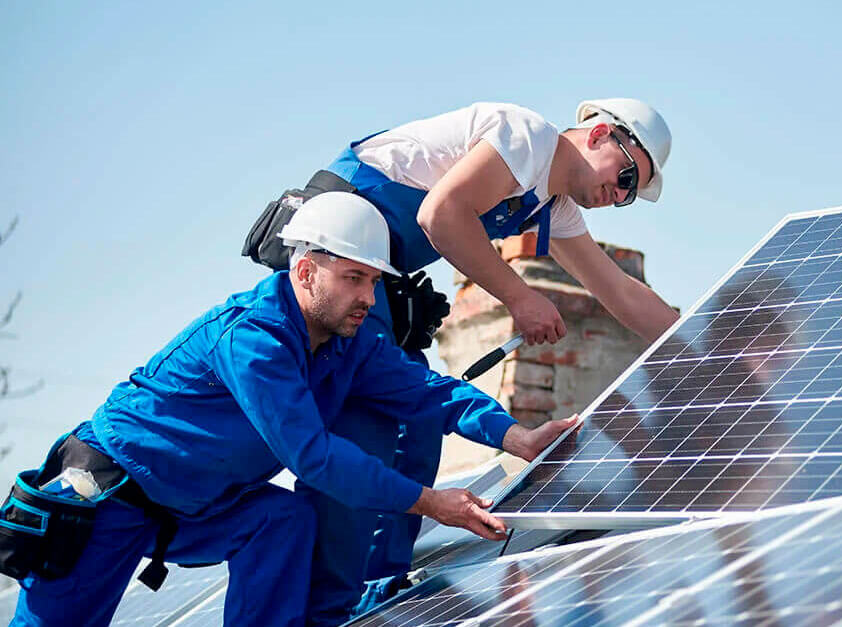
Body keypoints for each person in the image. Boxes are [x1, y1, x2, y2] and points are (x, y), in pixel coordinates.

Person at [3, 193, 575, 626]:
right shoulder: (252, 341)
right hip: (108, 500)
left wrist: (513, 437)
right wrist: (431, 503)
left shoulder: (348, 343)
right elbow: (314, 457)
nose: (367, 299)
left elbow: (429, 391)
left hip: (196, 508)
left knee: (282, 520)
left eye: (373, 281)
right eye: (353, 278)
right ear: (304, 271)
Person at [241, 99, 681, 623]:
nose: (621, 194)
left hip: (382, 275)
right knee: (370, 429)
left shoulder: (552, 205)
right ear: (600, 133)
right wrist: (520, 297)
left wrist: (702, 347)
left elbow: (619, 292)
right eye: (628, 175)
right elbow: (440, 215)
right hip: (342, 259)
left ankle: (379, 586)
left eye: (631, 195)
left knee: (420, 426)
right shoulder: (528, 137)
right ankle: (328, 606)